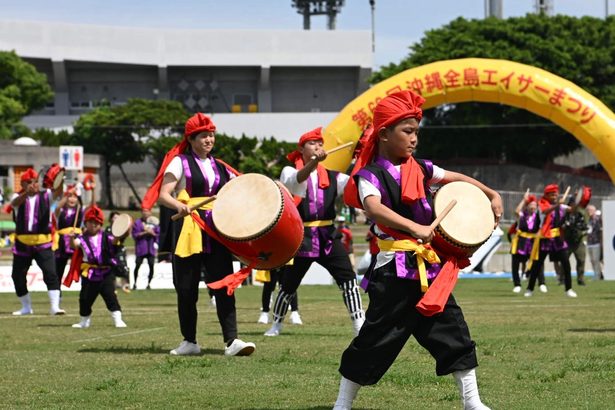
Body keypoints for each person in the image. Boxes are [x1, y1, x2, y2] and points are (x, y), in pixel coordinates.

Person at [334, 90, 501, 410]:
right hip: (393, 269)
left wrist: (490, 193)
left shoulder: (422, 168)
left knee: (454, 331)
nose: (414, 139)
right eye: (407, 132)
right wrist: (414, 228)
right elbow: (375, 209)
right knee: (374, 340)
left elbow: (456, 178)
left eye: (416, 132)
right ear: (384, 134)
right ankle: (342, 404)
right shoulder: (370, 176)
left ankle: (473, 403)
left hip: (430, 270)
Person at [141, 112, 255, 357]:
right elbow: (163, 195)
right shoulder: (179, 162)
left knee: (224, 285)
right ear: (191, 139)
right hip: (188, 229)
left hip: (216, 230)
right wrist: (179, 205)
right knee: (186, 288)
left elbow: (241, 189)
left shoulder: (221, 166)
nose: (209, 139)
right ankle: (189, 341)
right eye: (203, 135)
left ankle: (232, 341)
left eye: (211, 135)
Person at [264, 127, 365, 337]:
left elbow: (356, 183)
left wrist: (364, 155)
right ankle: (277, 324)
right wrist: (313, 163)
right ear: (301, 149)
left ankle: (359, 322)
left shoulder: (334, 177)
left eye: (320, 143)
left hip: (328, 236)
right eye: (312, 143)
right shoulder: (289, 171)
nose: (317, 146)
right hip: (302, 238)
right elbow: (296, 181)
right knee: (288, 285)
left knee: (348, 279)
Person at [10, 168, 66, 316]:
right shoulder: (17, 196)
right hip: (22, 243)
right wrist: (25, 194)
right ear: (22, 183)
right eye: (28, 182)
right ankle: (26, 306)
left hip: (43, 243)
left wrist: (60, 179)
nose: (32, 185)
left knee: (51, 273)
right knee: (17, 276)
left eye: (34, 182)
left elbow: (58, 193)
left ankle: (55, 306)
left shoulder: (46, 195)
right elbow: (14, 203)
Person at [68, 205, 127, 328]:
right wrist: (71, 238)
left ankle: (118, 320)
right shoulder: (82, 238)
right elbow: (74, 246)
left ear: (100, 224)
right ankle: (84, 321)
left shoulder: (107, 237)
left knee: (110, 296)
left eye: (96, 222)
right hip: (89, 273)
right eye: (90, 222)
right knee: (84, 298)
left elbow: (115, 242)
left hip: (106, 272)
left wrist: (118, 235)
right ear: (86, 223)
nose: (93, 225)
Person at [525, 184, 577, 298]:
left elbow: (572, 209)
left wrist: (575, 200)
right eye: (552, 194)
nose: (555, 196)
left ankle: (568, 289)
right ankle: (530, 289)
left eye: (556, 194)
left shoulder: (560, 206)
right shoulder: (541, 204)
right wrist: (558, 205)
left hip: (558, 238)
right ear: (547, 195)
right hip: (545, 238)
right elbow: (545, 212)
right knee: (537, 265)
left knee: (566, 264)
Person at [509, 192, 542, 293]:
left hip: (532, 241)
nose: (532, 207)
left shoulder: (538, 216)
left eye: (534, 205)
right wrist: (524, 200)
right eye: (531, 205)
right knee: (515, 263)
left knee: (536, 263)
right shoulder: (522, 215)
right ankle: (517, 284)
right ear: (527, 206)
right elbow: (516, 211)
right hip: (521, 241)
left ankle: (540, 283)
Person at [53, 185, 83, 285]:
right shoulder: (61, 211)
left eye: (74, 197)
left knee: (80, 264)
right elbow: (57, 208)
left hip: (75, 239)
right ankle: (57, 291)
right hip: (62, 241)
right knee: (59, 267)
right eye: (70, 196)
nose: (72, 199)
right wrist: (67, 194)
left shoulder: (80, 211)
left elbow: (93, 205)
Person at [562, 196, 589, 286]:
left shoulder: (581, 213)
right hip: (567, 240)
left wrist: (583, 231)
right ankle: (562, 279)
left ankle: (580, 279)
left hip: (579, 240)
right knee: (565, 260)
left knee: (581, 260)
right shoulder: (565, 214)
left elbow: (585, 226)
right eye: (572, 204)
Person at [131, 208, 160, 290]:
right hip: (141, 248)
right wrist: (145, 232)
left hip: (150, 249)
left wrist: (152, 233)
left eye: (147, 212)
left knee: (151, 266)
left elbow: (158, 235)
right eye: (144, 212)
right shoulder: (137, 223)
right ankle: (135, 283)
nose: (146, 214)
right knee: (137, 265)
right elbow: (135, 235)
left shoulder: (154, 223)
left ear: (150, 213)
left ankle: (149, 284)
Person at [105, 211, 131, 293]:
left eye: (118, 217)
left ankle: (125, 285)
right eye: (114, 217)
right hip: (111, 251)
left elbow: (126, 236)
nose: (116, 219)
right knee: (112, 269)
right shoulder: (108, 229)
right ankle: (113, 287)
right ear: (111, 219)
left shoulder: (122, 229)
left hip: (119, 250)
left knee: (124, 267)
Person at [586, 205, 603, 280]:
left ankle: (598, 275)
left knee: (596, 260)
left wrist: (601, 242)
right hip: (590, 243)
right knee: (592, 260)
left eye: (589, 210)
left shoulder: (598, 219)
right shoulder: (588, 220)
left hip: (596, 242)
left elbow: (601, 231)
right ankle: (597, 274)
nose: (588, 212)